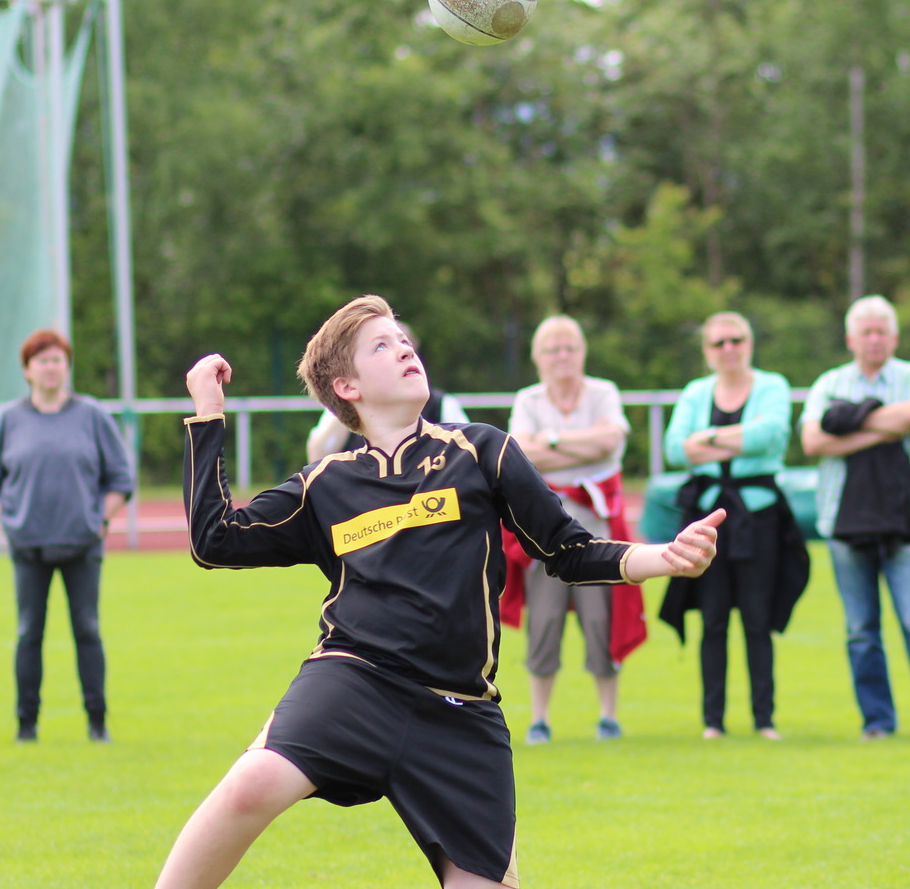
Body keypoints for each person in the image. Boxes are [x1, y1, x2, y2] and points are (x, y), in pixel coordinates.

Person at [157, 295, 725, 889]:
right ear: (346, 387)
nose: (404, 347)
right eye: (381, 344)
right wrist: (208, 413)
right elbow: (214, 539)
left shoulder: (481, 449)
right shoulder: (326, 483)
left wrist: (664, 556)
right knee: (251, 783)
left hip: (462, 713)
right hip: (354, 680)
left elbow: (569, 551)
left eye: (403, 338)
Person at [799, 295, 910, 740]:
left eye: (882, 331)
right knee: (860, 630)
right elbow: (814, 442)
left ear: (894, 337)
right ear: (850, 338)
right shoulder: (829, 381)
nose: (874, 339)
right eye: (866, 331)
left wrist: (849, 421)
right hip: (843, 520)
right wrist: (883, 426)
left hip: (907, 520)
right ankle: (877, 723)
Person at [0, 328, 135, 744]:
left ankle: (97, 723)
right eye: (41, 360)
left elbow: (120, 477)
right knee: (29, 632)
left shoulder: (92, 416)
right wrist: (8, 518)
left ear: (67, 365)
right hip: (28, 546)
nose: (50, 366)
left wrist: (101, 518)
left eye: (57, 359)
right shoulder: (7, 420)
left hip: (82, 544)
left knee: (87, 629)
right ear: (27, 369)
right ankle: (27, 725)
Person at [660, 312, 808, 741]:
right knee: (713, 618)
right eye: (719, 342)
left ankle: (764, 720)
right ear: (707, 351)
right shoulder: (696, 391)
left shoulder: (772, 385)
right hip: (707, 519)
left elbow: (770, 435)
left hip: (759, 518)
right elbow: (674, 448)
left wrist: (704, 441)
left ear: (750, 342)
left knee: (758, 619)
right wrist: (732, 441)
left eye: (736, 340)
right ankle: (713, 722)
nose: (729, 349)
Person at [502, 314, 639, 745]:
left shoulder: (603, 392)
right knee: (543, 619)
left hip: (595, 521)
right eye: (552, 349)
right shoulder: (528, 398)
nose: (562, 356)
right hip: (543, 527)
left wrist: (554, 441)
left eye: (570, 348)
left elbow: (610, 443)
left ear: (582, 352)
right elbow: (521, 454)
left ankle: (608, 716)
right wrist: (580, 444)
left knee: (601, 617)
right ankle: (539, 719)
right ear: (537, 357)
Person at [306, 320, 468, 461]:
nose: (405, 351)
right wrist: (348, 410)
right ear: (348, 387)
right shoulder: (348, 401)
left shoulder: (444, 405)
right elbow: (318, 454)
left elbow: (465, 457)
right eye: (381, 346)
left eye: (405, 342)